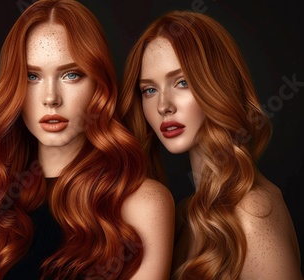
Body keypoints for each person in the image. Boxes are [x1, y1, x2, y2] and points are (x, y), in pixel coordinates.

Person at [0, 0, 175, 279]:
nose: (50, 98)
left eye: (71, 75)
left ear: (98, 85)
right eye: (32, 76)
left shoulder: (143, 203)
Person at [119, 10, 302, 280]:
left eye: (182, 82)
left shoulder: (253, 213)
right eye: (149, 90)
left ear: (217, 84)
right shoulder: (183, 213)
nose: (163, 106)